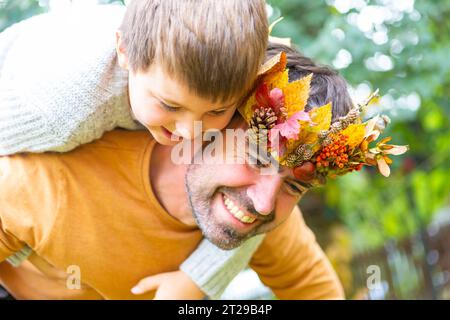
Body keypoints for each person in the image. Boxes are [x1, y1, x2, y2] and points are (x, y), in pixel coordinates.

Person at [0, 43, 356, 299]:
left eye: (294, 186)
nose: (264, 204)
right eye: (258, 158)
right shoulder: (47, 178)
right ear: (212, 121)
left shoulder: (264, 219)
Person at [0, 1, 268, 299]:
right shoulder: (59, 110)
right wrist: (21, 248)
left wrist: (197, 277)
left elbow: (272, 191)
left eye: (216, 111)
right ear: (124, 51)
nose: (188, 132)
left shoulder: (231, 70)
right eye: (170, 105)